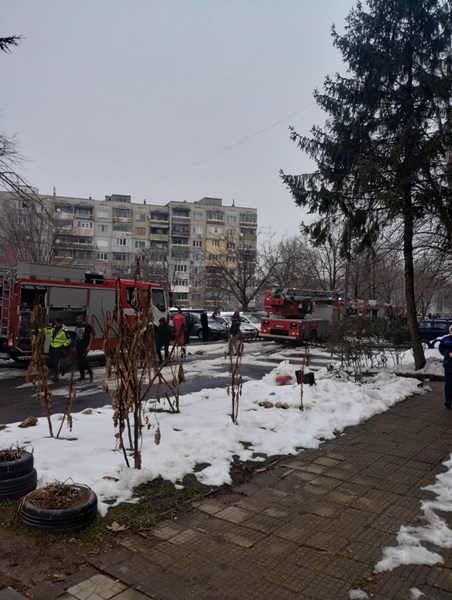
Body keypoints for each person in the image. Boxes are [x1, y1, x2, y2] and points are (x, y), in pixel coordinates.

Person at [75, 314, 94, 382]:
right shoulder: (78, 326)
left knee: (83, 360)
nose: (77, 320)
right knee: (79, 362)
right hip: (78, 345)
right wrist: (75, 345)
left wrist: (89, 345)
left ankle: (90, 372)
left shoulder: (88, 326)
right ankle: (82, 376)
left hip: (84, 346)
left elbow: (91, 336)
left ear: (82, 319)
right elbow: (77, 336)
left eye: (78, 319)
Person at [439, 325, 452, 409]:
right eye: (451, 330)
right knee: (448, 384)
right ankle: (448, 401)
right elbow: (441, 349)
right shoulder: (445, 340)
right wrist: (448, 353)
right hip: (448, 365)